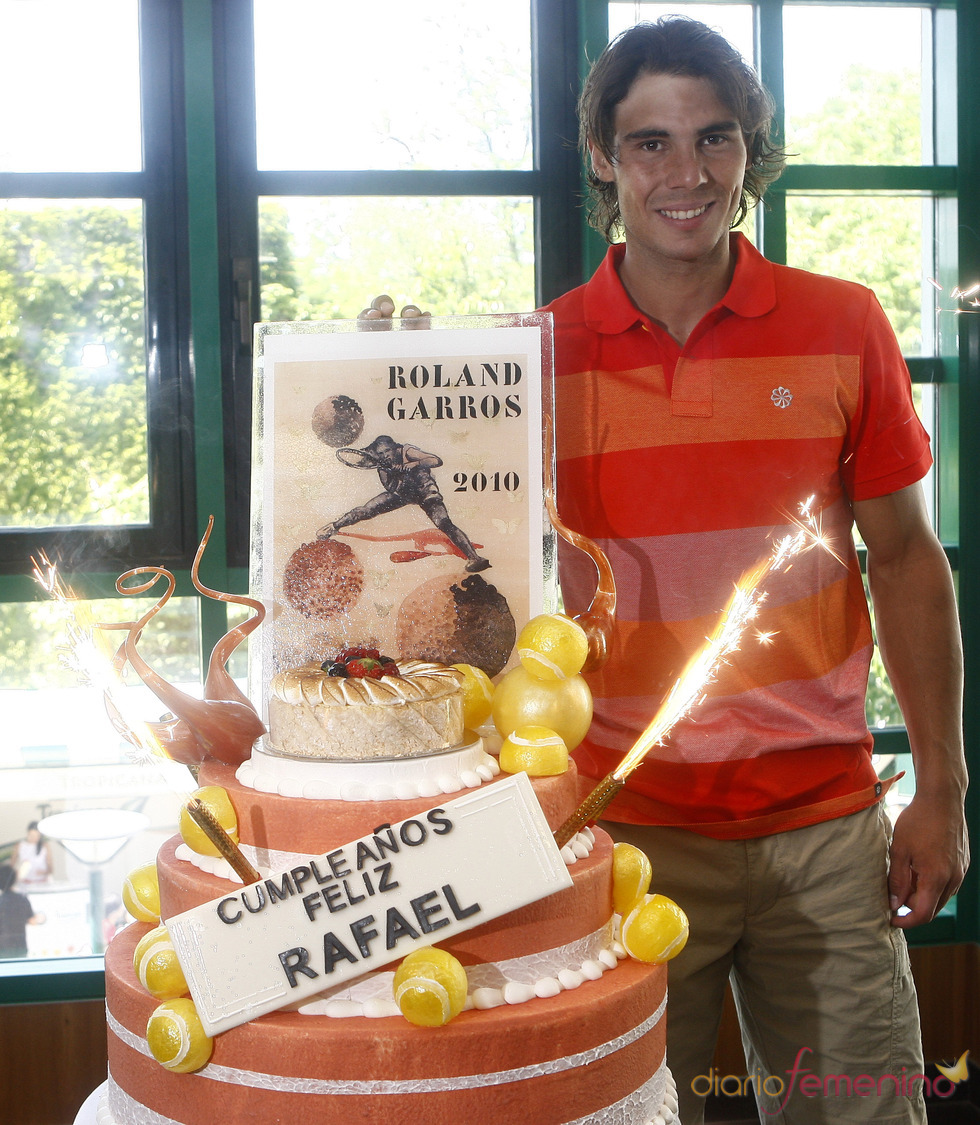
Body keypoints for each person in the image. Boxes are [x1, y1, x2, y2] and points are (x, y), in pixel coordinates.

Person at [539, 16, 969, 1124]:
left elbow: (907, 558)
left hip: (823, 829)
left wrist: (942, 788)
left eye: (712, 139)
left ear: (746, 151)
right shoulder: (534, 358)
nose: (685, 174)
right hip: (616, 832)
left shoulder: (842, 322)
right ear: (602, 157)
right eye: (649, 144)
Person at [317, 434, 491, 572]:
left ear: (394, 448)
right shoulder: (383, 466)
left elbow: (436, 460)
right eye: (381, 454)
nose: (385, 456)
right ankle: (334, 526)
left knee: (444, 523)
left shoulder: (407, 451)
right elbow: (392, 487)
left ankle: (475, 558)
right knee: (367, 509)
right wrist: (398, 476)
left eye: (387, 452)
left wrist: (412, 465)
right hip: (403, 494)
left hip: (425, 491)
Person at [0, 864, 44, 958]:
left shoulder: (1, 901)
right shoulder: (22, 899)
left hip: (3, 947)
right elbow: (32, 921)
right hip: (20, 946)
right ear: (14, 879)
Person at [15, 821, 52, 886]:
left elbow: (51, 869)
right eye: (31, 835)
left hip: (42, 883)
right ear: (27, 833)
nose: (33, 838)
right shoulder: (20, 845)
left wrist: (44, 872)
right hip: (24, 883)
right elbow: (11, 866)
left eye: (36, 836)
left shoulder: (44, 846)